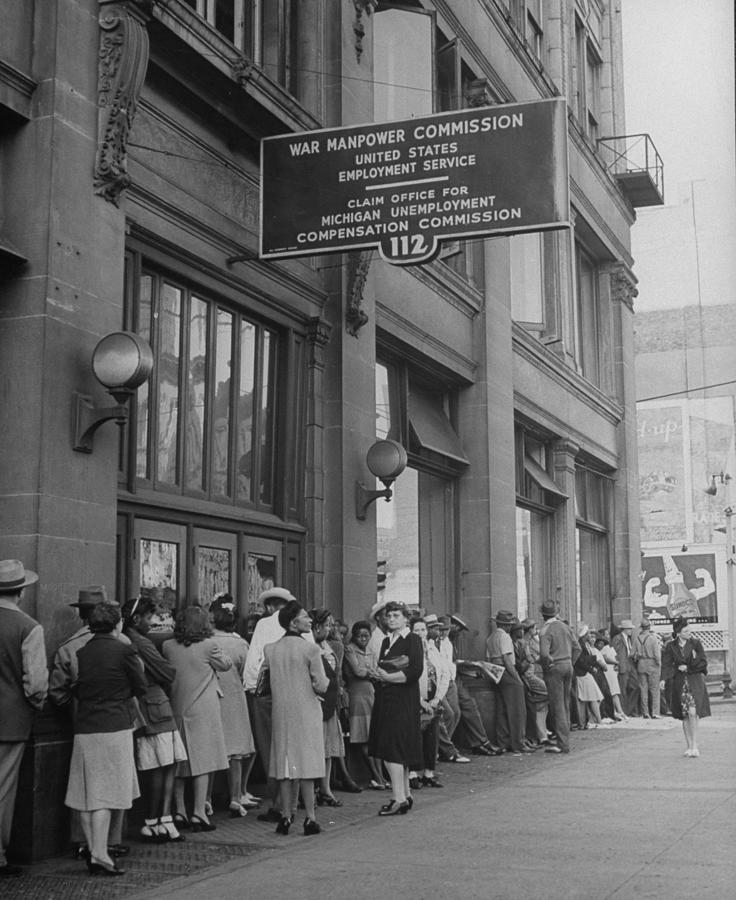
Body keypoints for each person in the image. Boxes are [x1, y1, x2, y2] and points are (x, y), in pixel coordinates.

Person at [64, 602, 146, 876]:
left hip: (85, 727)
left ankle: (92, 849)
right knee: (106, 795)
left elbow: (76, 687)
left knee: (87, 793)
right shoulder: (125, 650)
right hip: (115, 726)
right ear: (116, 624)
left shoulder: (82, 652)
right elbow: (140, 686)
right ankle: (100, 853)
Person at [49, 586, 130, 859]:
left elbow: (57, 691)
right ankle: (111, 841)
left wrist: (73, 706)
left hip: (82, 721)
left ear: (82, 615)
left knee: (84, 784)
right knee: (115, 781)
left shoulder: (67, 647)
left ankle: (84, 842)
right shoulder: (122, 644)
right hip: (117, 719)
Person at [122, 596, 187, 843]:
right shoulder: (142, 642)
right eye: (148, 618)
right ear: (136, 618)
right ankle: (160, 819)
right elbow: (167, 672)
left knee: (156, 767)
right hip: (156, 706)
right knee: (165, 765)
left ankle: (157, 820)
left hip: (143, 709)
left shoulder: (126, 639)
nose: (151, 623)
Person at [162, 606, 232, 831]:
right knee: (204, 762)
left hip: (177, 708)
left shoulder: (168, 646)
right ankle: (199, 812)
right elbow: (226, 664)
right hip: (204, 710)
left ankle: (180, 810)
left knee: (179, 764)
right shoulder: (209, 646)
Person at [0, 559, 48, 878]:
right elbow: (36, 683)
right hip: (11, 718)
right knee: (3, 787)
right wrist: (36, 703)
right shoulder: (29, 627)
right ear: (21, 591)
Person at [264, 600, 328, 836]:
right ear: (294, 622)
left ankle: (286, 816)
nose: (310, 620)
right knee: (306, 765)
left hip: (281, 711)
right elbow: (321, 684)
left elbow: (263, 680)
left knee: (285, 762)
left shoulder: (270, 649)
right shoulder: (311, 649)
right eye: (305, 616)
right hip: (306, 709)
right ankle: (310, 818)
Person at [242, 587, 304, 823]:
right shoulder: (300, 625)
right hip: (296, 693)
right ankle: (293, 801)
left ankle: (278, 803)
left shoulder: (264, 625)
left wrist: (252, 689)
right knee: (292, 747)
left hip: (268, 692)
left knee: (271, 749)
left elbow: (254, 661)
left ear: (269, 607)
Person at [366, 601, 423, 816]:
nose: (391, 620)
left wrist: (389, 676)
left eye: (396, 616)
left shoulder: (412, 639)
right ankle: (405, 795)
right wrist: (379, 675)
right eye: (389, 616)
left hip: (402, 698)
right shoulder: (386, 641)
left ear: (406, 618)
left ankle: (398, 798)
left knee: (394, 748)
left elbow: (415, 670)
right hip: (387, 697)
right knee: (395, 747)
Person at [206, 599, 256, 818]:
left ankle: (206, 798)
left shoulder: (205, 641)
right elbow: (248, 671)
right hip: (235, 697)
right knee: (236, 752)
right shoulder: (240, 644)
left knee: (211, 750)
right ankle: (236, 797)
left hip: (212, 697)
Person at [342, 620, 387, 789]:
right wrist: (371, 673)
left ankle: (380, 777)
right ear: (354, 635)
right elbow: (358, 672)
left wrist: (369, 673)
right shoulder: (349, 650)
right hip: (357, 697)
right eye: (360, 635)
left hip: (371, 695)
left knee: (374, 738)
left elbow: (374, 671)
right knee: (363, 739)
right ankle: (375, 776)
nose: (363, 639)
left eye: (367, 636)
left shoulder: (371, 650)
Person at [661, 617, 710, 757]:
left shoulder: (696, 643)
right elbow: (666, 664)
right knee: (685, 715)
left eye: (689, 630)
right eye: (686, 630)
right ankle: (688, 746)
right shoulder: (671, 646)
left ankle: (695, 745)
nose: (689, 632)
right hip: (680, 683)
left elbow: (703, 662)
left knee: (693, 712)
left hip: (694, 681)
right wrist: (664, 679)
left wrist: (688, 667)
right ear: (678, 632)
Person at [309, 609, 344, 808]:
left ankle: (325, 788)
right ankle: (313, 789)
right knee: (316, 748)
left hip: (330, 704)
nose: (329, 629)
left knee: (328, 750)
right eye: (327, 625)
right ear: (316, 627)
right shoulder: (309, 647)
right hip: (317, 703)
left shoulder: (329, 646)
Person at [410, 617, 449, 788]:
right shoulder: (409, 650)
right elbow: (409, 677)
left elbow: (444, 674)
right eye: (416, 630)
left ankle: (428, 773)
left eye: (423, 630)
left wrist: (437, 699)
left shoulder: (433, 649)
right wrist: (420, 701)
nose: (420, 633)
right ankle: (412, 774)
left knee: (431, 738)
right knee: (414, 737)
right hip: (415, 701)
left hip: (433, 701)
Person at [486, 610, 531, 754]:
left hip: (495, 672)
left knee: (502, 709)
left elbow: (488, 659)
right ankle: (518, 743)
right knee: (517, 710)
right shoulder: (504, 637)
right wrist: (516, 677)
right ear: (505, 625)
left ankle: (503, 742)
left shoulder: (491, 637)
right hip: (506, 671)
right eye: (510, 624)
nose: (511, 627)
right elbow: (507, 659)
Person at [538, 600, 578, 754]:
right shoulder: (565, 627)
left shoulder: (545, 630)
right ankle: (565, 740)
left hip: (555, 669)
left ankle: (562, 744)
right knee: (565, 704)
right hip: (568, 666)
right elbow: (577, 648)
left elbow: (543, 654)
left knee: (557, 706)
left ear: (543, 614)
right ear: (556, 612)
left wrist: (547, 664)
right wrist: (570, 662)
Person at [573, 625, 605, 727]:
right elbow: (581, 661)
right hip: (583, 674)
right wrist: (592, 666)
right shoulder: (581, 645)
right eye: (587, 633)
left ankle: (591, 720)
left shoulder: (585, 644)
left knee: (593, 697)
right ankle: (596, 721)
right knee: (594, 697)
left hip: (585, 673)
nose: (589, 635)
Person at [594, 631, 628, 721]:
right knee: (613, 691)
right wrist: (616, 662)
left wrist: (616, 663)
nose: (608, 636)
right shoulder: (602, 648)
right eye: (606, 634)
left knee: (615, 691)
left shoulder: (607, 646)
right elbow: (605, 657)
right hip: (608, 670)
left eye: (608, 634)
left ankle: (618, 711)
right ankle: (618, 711)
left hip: (612, 670)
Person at [634, 618, 662, 718]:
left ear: (641, 627)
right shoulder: (653, 638)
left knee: (643, 689)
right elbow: (657, 655)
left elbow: (632, 654)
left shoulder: (637, 638)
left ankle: (645, 712)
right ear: (649, 627)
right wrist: (659, 664)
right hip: (652, 663)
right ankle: (655, 712)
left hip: (641, 664)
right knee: (654, 689)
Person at [612, 619, 639, 716]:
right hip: (622, 665)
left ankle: (629, 709)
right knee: (622, 689)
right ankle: (624, 711)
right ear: (624, 629)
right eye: (629, 629)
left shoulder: (628, 639)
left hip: (629, 664)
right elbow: (614, 652)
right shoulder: (617, 638)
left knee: (635, 686)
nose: (631, 630)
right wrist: (617, 663)